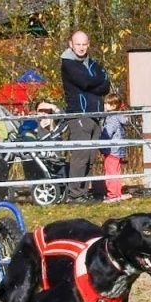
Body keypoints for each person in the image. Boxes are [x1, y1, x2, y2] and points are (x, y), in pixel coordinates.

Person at [59, 30, 111, 201]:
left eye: (84, 44)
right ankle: (74, 194)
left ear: (88, 45)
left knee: (90, 157)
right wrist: (96, 82)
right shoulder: (68, 64)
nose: (81, 48)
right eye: (78, 44)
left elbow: (106, 84)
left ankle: (83, 192)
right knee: (80, 156)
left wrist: (93, 83)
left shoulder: (93, 64)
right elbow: (85, 82)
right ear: (71, 44)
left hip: (95, 114)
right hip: (79, 114)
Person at [100, 92, 129, 203]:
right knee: (116, 172)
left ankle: (112, 195)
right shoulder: (120, 117)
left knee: (110, 172)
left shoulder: (112, 118)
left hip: (112, 150)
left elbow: (107, 132)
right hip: (119, 149)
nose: (104, 106)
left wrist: (101, 143)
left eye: (106, 104)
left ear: (113, 106)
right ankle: (117, 193)